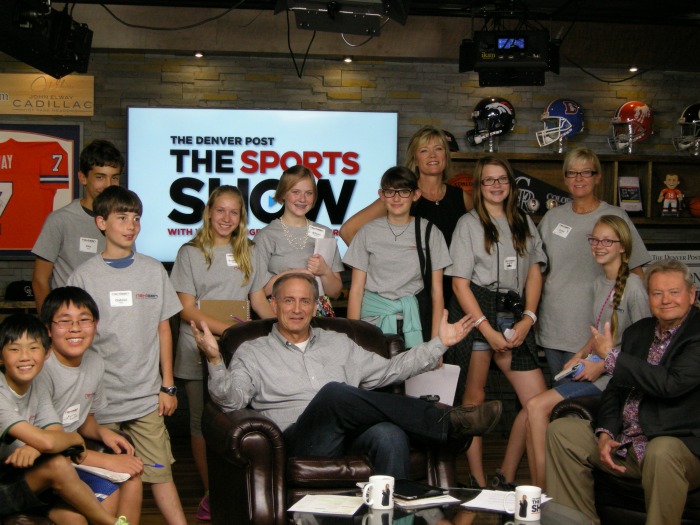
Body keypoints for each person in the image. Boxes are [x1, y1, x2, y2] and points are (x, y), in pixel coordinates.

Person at [193, 272, 503, 480]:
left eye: (305, 301)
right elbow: (230, 401)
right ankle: (446, 420)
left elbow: (390, 370)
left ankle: (397, 519)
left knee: (389, 434)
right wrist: (213, 358)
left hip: (350, 435)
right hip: (298, 440)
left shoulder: (339, 343)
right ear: (273, 304)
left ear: (316, 305)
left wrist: (439, 344)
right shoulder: (252, 351)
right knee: (334, 394)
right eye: (288, 300)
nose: (297, 309)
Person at [546, 259, 700, 525]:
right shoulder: (637, 333)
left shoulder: (697, 333)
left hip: (680, 446)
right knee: (562, 432)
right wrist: (605, 432)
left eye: (674, 292)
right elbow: (614, 391)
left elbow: (670, 384)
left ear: (692, 294)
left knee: (661, 451)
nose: (666, 300)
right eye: (657, 293)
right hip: (626, 442)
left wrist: (612, 358)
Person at [67, 186, 187, 525]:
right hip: (100, 403)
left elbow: (164, 329)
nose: (131, 225)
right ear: (102, 222)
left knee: (161, 474)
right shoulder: (83, 277)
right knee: (105, 484)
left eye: (136, 218)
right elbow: (75, 341)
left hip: (147, 397)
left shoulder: (152, 270)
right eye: (122, 218)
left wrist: (168, 386)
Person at [169, 185, 274, 520]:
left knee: (239, 415)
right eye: (220, 210)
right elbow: (185, 309)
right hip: (199, 345)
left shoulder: (251, 252)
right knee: (203, 420)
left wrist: (284, 325)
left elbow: (257, 300)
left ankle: (236, 484)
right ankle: (211, 491)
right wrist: (226, 330)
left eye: (234, 212)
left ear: (242, 216)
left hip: (239, 348)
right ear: (209, 212)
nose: (226, 218)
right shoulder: (190, 252)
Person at [443, 156, 548, 490]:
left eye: (502, 179)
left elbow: (534, 271)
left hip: (513, 310)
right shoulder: (468, 224)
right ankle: (476, 480)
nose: (496, 186)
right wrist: (486, 329)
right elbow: (459, 284)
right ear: (479, 185)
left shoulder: (524, 221)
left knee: (538, 402)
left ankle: (505, 474)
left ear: (510, 183)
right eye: (489, 180)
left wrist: (529, 318)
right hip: (477, 307)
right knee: (474, 398)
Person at [524, 215, 650, 489]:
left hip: (612, 381)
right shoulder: (599, 283)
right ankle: (537, 489)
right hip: (593, 368)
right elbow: (600, 333)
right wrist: (580, 354)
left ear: (623, 247)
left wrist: (603, 366)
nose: (599, 246)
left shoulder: (635, 288)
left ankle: (540, 494)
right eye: (595, 240)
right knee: (529, 414)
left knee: (535, 407)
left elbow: (643, 352)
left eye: (607, 240)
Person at [0, 313, 130, 525]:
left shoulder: (37, 384)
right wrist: (75, 440)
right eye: (14, 349)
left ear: (46, 353)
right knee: (58, 464)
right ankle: (110, 523)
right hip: (5, 483)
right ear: (1, 357)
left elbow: (54, 433)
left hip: (21, 477)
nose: (25, 356)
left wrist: (37, 447)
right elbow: (50, 441)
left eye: (33, 348)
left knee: (74, 519)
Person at [537, 147, 651, 382]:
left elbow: (636, 272)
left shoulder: (616, 216)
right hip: (553, 327)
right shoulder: (551, 219)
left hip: (593, 331)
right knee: (560, 399)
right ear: (565, 177)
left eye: (586, 172)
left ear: (597, 176)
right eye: (572, 173)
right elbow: (538, 273)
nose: (578, 179)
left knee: (581, 400)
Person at [37, 286, 144, 524]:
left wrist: (102, 433)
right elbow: (44, 441)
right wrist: (105, 460)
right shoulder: (41, 368)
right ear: (48, 329)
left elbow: (83, 419)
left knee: (133, 477)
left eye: (84, 320)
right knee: (106, 498)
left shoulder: (95, 362)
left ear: (96, 325)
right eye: (65, 321)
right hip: (48, 461)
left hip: (72, 454)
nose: (75, 328)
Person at [339, 126, 473, 306]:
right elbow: (348, 230)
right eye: (424, 150)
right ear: (415, 159)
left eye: (438, 149)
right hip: (414, 297)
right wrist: (382, 272)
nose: (432, 155)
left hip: (455, 294)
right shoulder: (402, 196)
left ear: (445, 156)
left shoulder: (462, 197)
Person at [344, 166, 451, 347]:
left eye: (403, 192)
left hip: (412, 323)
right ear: (381, 195)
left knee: (414, 375)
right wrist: (354, 340)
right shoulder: (367, 232)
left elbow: (437, 292)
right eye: (390, 192)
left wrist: (436, 343)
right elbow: (356, 290)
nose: (396, 198)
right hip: (371, 321)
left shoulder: (430, 232)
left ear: (415, 195)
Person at [32, 139, 124, 313]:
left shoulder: (123, 223)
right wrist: (49, 324)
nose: (108, 185)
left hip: (110, 321)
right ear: (83, 177)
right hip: (70, 322)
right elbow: (40, 279)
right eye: (100, 177)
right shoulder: (60, 220)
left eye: (114, 177)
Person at [254, 165, 343, 316]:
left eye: (308, 193)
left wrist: (325, 271)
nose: (302, 199)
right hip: (282, 312)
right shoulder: (265, 236)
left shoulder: (325, 233)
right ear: (283, 194)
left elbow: (335, 292)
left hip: (319, 312)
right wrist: (294, 274)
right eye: (295, 192)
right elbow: (259, 291)